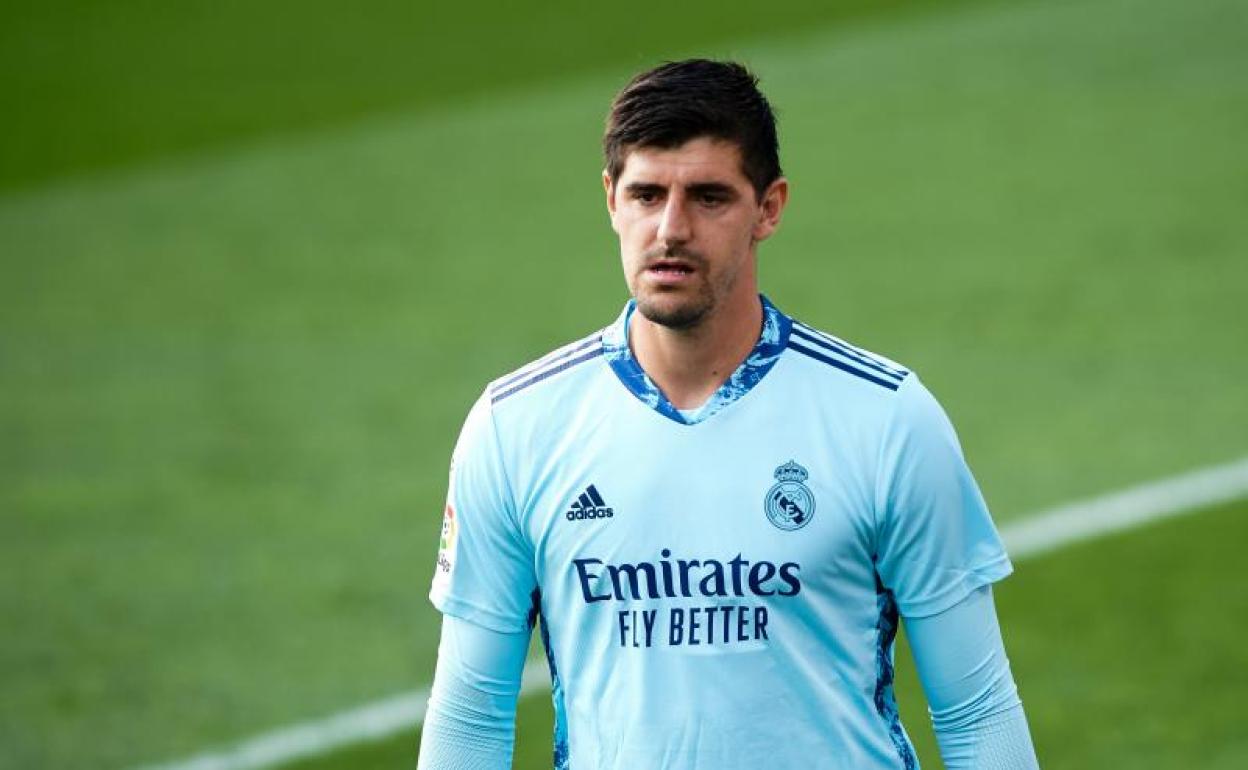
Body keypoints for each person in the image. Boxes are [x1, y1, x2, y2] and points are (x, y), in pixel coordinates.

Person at [417, 59, 1040, 770]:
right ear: (610, 201)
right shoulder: (518, 427)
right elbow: (471, 713)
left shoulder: (886, 420)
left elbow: (976, 708)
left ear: (769, 208)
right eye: (647, 194)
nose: (671, 229)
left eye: (708, 197)